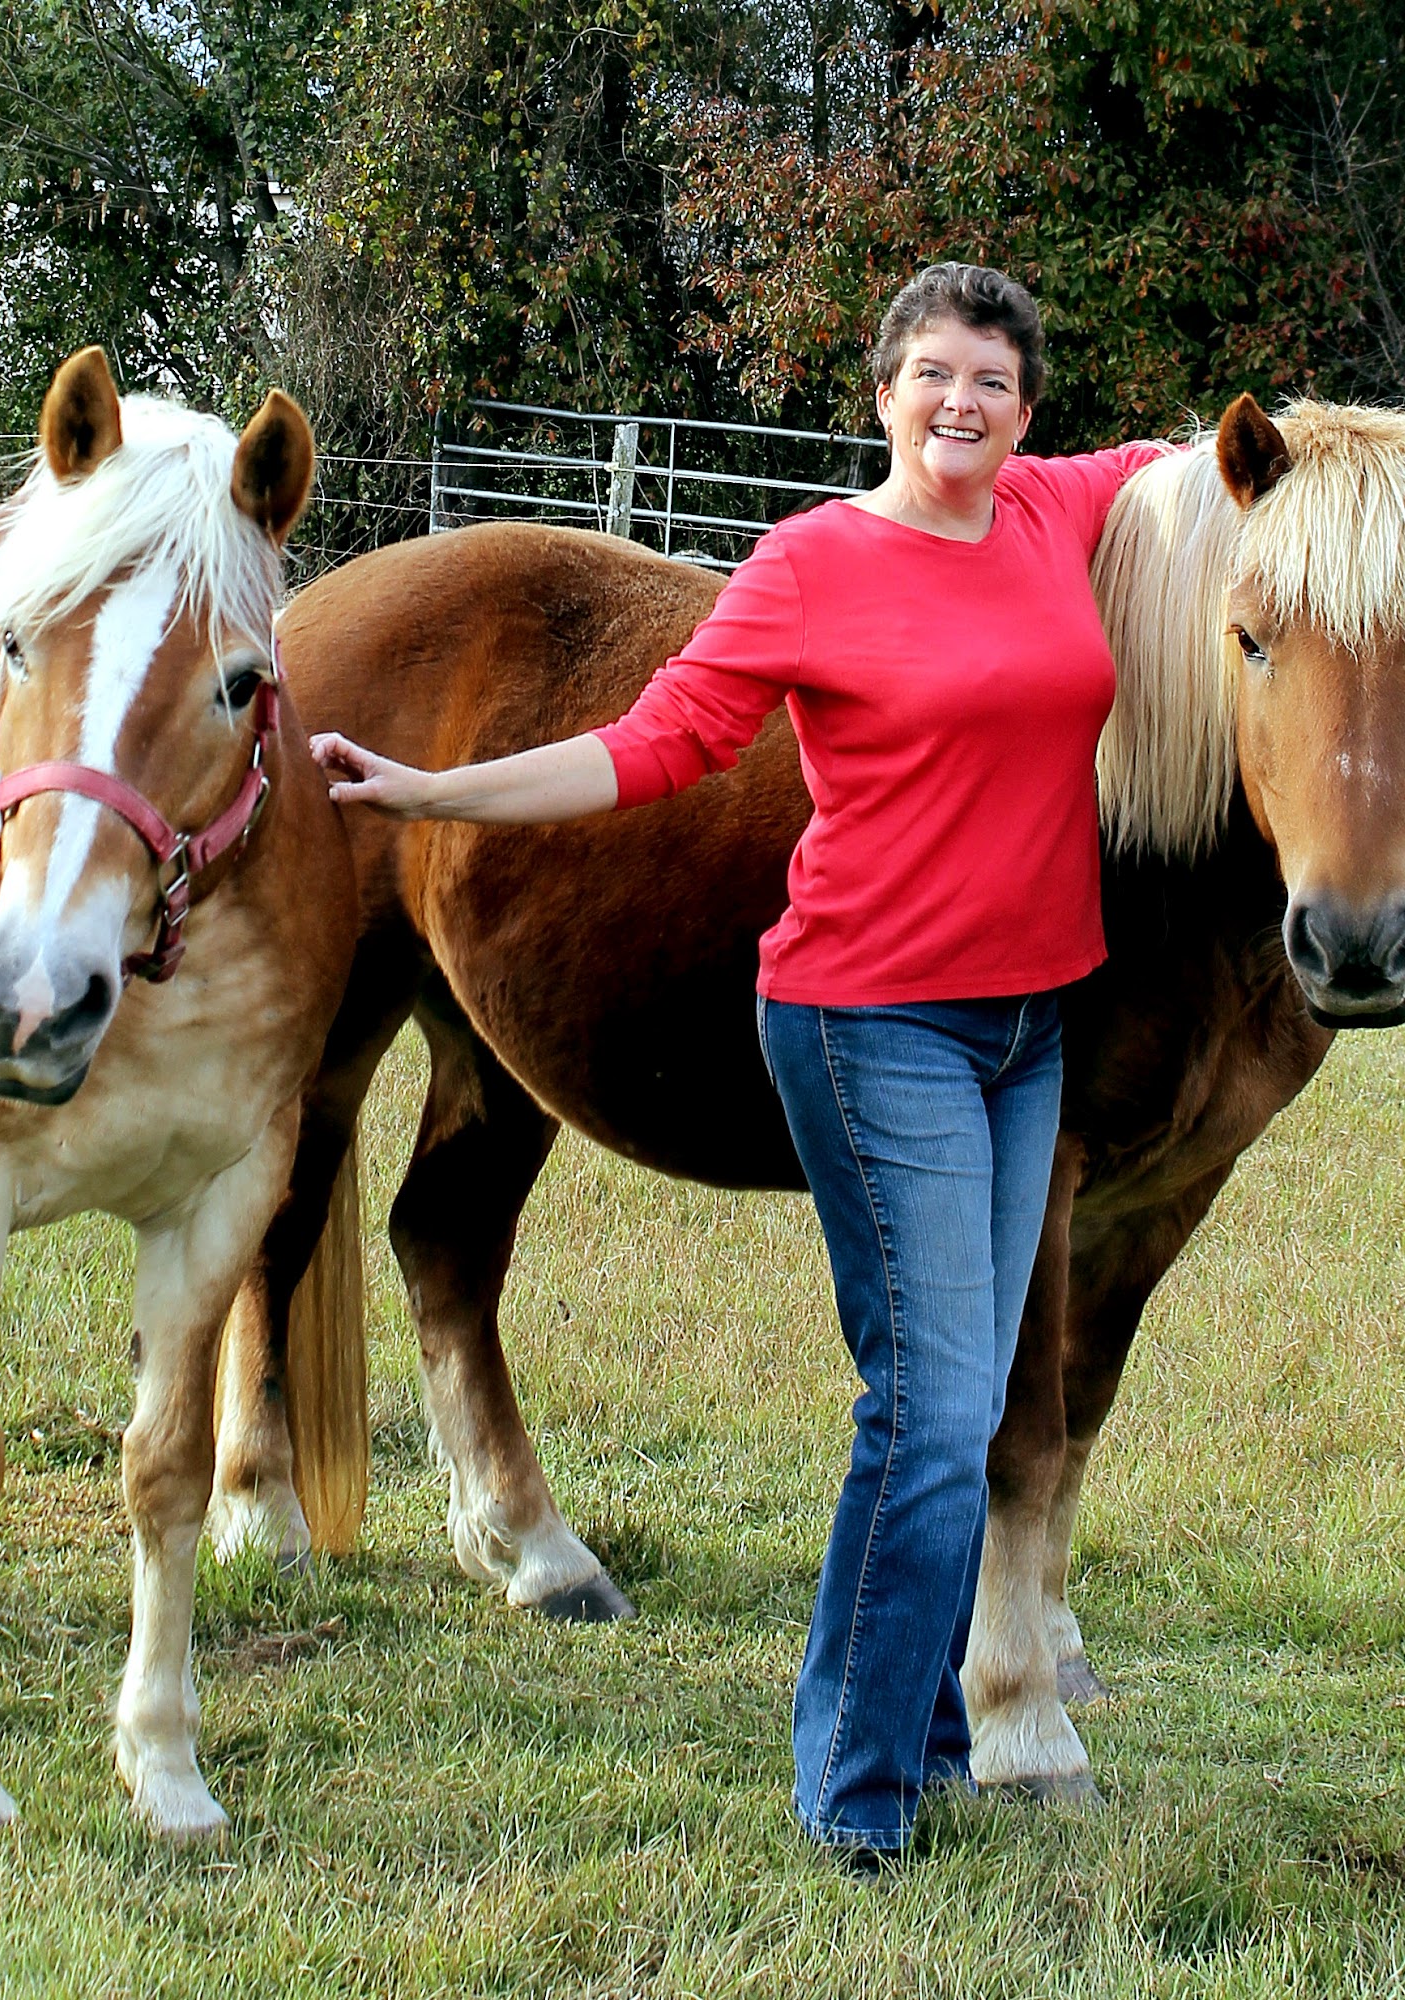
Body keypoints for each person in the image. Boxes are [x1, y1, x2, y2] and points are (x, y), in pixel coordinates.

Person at [310, 263, 1175, 1867]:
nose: (960, 404)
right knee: (923, 1415)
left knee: (977, 1394)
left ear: (1030, 409)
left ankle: (914, 1729)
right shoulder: (815, 564)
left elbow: (1247, 473)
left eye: (990, 379)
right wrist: (437, 790)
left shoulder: (1067, 513)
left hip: (1025, 1028)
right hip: (868, 1022)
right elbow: (654, 746)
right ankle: (856, 1789)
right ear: (882, 394)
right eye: (930, 374)